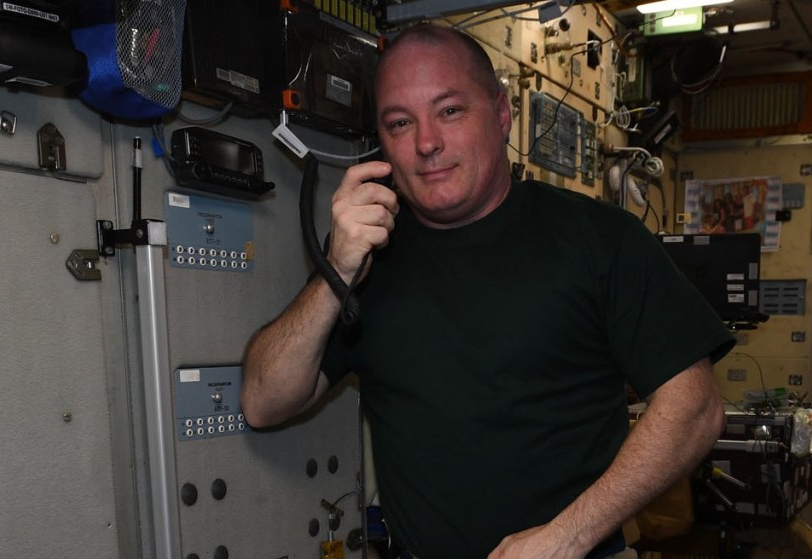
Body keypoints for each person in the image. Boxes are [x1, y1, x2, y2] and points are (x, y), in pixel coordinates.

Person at [241, 25, 731, 559]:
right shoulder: (368, 262)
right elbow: (265, 402)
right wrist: (336, 268)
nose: (427, 142)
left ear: (501, 114)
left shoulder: (598, 239)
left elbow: (696, 407)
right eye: (401, 122)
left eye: (450, 110)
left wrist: (567, 536)